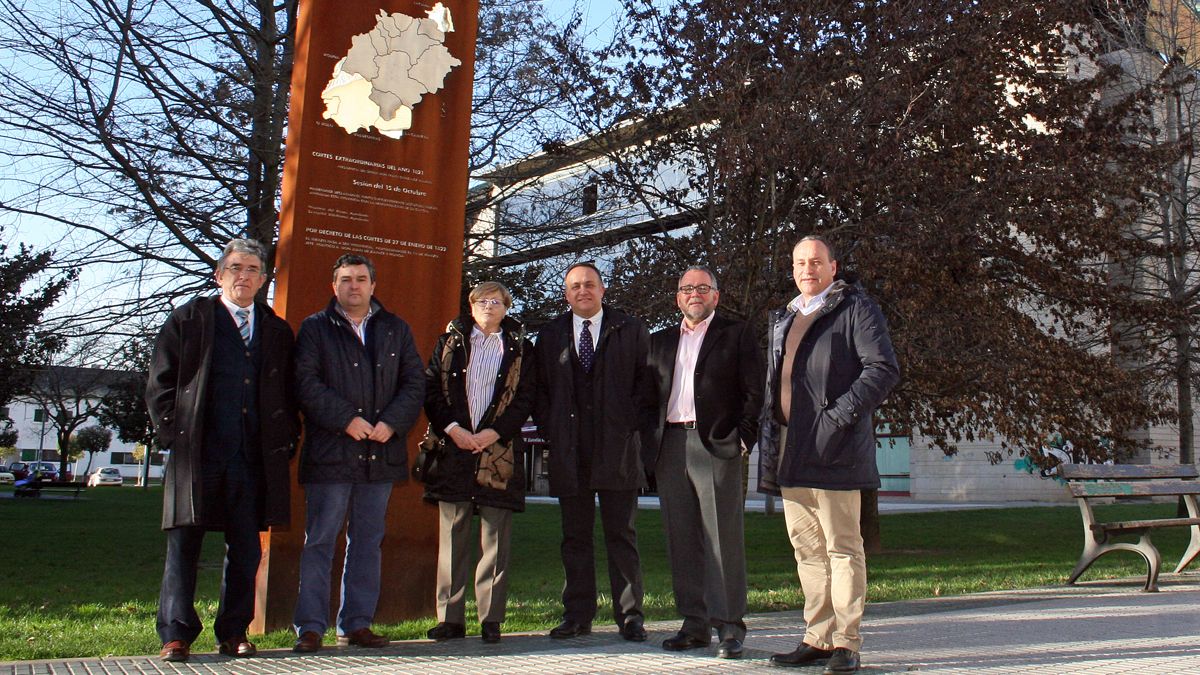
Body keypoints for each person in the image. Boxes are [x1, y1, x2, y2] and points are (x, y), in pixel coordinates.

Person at [145, 238, 300, 662]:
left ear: (264, 279)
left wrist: (288, 438)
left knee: (246, 550)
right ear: (219, 274)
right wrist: (173, 434)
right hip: (197, 455)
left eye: (253, 270)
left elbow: (288, 392)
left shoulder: (276, 330)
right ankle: (176, 634)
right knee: (184, 547)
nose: (244, 276)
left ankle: (234, 632)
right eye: (235, 268)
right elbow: (161, 382)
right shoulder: (189, 319)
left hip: (253, 459)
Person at [759, 236, 900, 674]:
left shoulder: (855, 308)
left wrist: (838, 416)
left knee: (842, 548)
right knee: (807, 551)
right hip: (791, 448)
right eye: (800, 262)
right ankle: (817, 637)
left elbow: (882, 369)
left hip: (835, 449)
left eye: (816, 261)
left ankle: (846, 642)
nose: (807, 269)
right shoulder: (784, 316)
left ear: (833, 267)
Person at [291, 253, 425, 653]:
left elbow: (414, 383)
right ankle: (310, 627)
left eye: (361, 279)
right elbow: (305, 382)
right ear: (334, 286)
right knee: (320, 541)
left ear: (373, 285)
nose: (354, 286)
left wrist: (394, 423)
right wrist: (345, 419)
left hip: (379, 455)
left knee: (367, 541)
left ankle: (356, 624)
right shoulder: (315, 329)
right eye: (346, 279)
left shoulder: (395, 328)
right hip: (332, 453)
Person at [646, 266, 763, 659]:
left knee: (721, 537)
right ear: (678, 297)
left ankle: (730, 626)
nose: (694, 294)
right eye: (686, 288)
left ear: (715, 294)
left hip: (715, 446)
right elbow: (645, 396)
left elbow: (754, 391)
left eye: (702, 287)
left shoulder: (737, 333)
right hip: (671, 446)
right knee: (681, 538)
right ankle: (694, 624)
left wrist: (743, 439)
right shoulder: (658, 341)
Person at [532, 262, 652, 642]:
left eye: (589, 285)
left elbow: (646, 386)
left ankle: (630, 616)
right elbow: (540, 391)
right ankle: (577, 615)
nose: (582, 291)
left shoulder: (630, 329)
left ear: (603, 290)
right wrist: (552, 429)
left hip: (617, 449)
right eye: (574, 287)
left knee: (622, 535)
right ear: (566, 295)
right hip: (570, 449)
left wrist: (627, 424)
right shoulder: (550, 335)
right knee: (575, 537)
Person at [421, 281, 536, 645]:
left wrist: (492, 433)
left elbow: (526, 398)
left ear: (506, 307)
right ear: (470, 307)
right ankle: (450, 619)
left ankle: (491, 618)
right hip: (453, 447)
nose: (488, 306)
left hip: (497, 451)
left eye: (496, 301)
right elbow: (431, 391)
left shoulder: (520, 349)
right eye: (481, 301)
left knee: (494, 539)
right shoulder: (450, 343)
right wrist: (454, 430)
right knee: (452, 537)